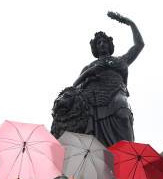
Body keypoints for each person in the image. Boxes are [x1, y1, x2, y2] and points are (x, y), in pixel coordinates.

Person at [51, 11, 144, 147]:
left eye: (104, 42)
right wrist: (88, 74)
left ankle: (127, 151)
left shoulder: (121, 60)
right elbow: (74, 89)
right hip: (93, 103)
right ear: (95, 47)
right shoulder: (89, 66)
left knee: (123, 114)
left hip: (116, 95)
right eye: (98, 42)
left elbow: (139, 45)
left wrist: (129, 22)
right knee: (94, 143)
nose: (101, 44)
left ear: (109, 44)